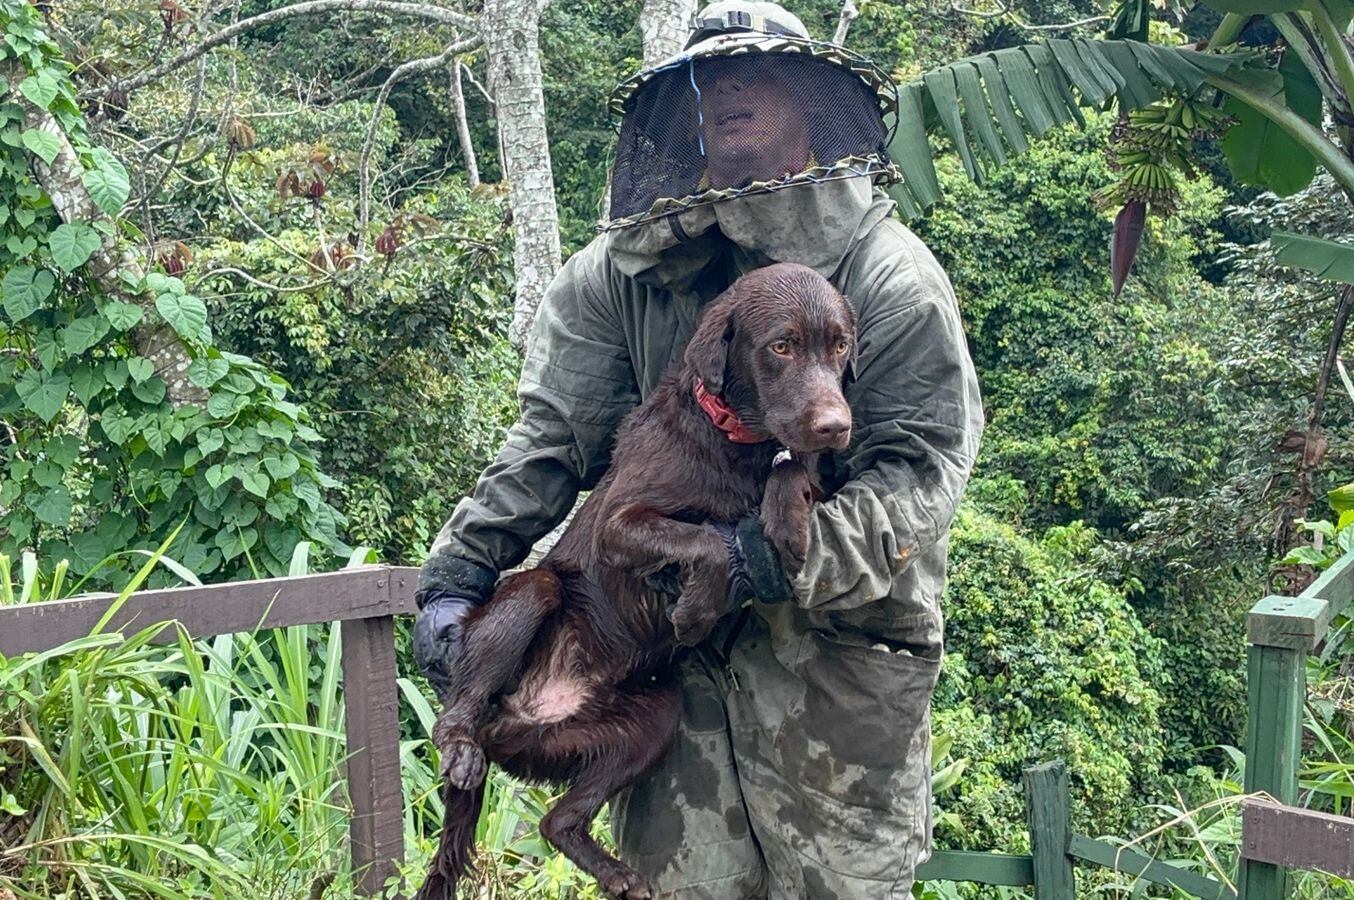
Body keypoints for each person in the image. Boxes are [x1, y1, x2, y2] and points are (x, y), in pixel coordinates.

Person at [411, 3, 984, 896]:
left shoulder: (888, 278)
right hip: (660, 668)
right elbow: (552, 437)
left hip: (833, 662)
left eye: (755, 71)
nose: (728, 87)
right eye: (709, 77)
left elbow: (922, 473)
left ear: (811, 106)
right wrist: (455, 576)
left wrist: (762, 556)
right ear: (681, 117)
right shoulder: (622, 273)